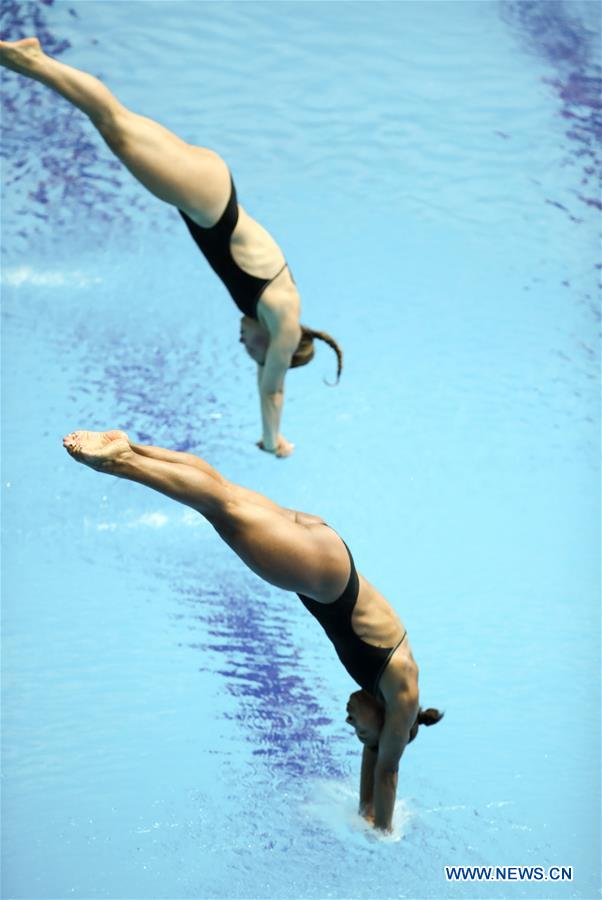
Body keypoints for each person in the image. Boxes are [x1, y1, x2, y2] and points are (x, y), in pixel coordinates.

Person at [62, 429, 443, 832]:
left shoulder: (387, 696)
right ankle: (121, 462)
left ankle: (130, 447)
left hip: (325, 554)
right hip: (321, 573)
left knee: (224, 493)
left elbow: (376, 754)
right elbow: (387, 769)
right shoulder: (403, 692)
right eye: (360, 730)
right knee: (220, 507)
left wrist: (365, 810)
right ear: (386, 723)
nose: (351, 724)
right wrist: (383, 834)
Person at [0, 38, 343, 458]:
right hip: (206, 200)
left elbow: (265, 375)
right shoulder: (284, 317)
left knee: (117, 120)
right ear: (276, 347)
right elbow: (272, 388)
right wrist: (275, 442)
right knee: (111, 123)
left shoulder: (270, 314)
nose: (242, 344)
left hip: (209, 189)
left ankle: (30, 60)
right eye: (253, 351)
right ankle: (32, 59)